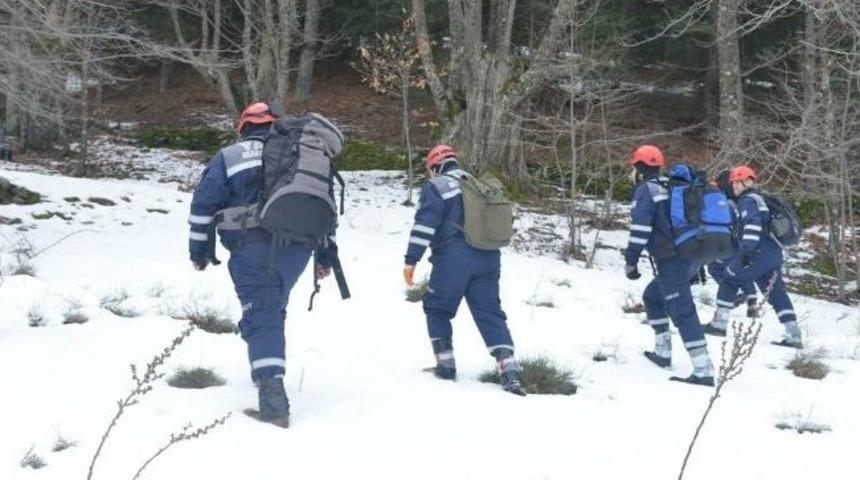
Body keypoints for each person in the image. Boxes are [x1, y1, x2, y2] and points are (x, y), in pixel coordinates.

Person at [188, 102, 334, 427]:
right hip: (298, 248)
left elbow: (202, 206)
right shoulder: (300, 155)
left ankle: (273, 401)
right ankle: (263, 368)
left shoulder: (230, 156)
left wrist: (199, 250)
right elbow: (321, 207)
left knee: (261, 314)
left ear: (243, 127)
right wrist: (324, 257)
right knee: (272, 306)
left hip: (252, 247)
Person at [402, 144, 525, 395]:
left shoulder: (437, 187)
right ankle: (509, 370)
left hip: (454, 258)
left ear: (434, 166)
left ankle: (445, 365)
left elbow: (425, 226)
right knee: (490, 311)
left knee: (437, 307)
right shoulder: (477, 184)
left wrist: (411, 259)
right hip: (489, 258)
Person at [624, 144, 714, 386]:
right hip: (691, 258)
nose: (631, 173)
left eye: (633, 168)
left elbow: (640, 229)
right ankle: (663, 352)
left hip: (673, 260)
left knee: (682, 310)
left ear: (640, 168)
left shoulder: (646, 190)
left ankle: (704, 369)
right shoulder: (670, 186)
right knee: (653, 297)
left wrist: (630, 261)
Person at [703, 166, 802, 348]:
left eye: (734, 182)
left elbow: (752, 226)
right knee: (776, 292)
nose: (733, 186)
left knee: (729, 278)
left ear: (742, 182)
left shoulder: (747, 201)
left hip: (757, 253)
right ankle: (793, 334)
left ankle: (719, 324)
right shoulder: (762, 198)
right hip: (774, 255)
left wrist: (746, 252)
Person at [704, 169, 760, 324]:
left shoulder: (725, 201)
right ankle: (752, 301)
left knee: (719, 267)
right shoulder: (739, 200)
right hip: (739, 241)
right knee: (738, 269)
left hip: (730, 241)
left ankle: (734, 296)